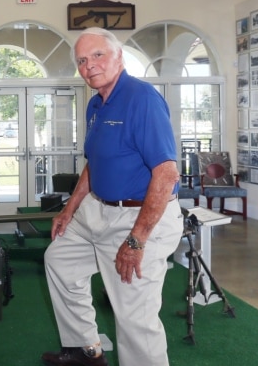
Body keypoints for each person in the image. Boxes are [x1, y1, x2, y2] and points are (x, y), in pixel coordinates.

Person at [42, 28, 182, 366]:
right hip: (96, 211)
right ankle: (84, 351)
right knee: (59, 261)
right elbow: (95, 162)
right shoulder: (95, 104)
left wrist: (136, 241)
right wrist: (68, 210)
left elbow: (166, 173)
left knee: (134, 315)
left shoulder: (142, 98)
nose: (89, 66)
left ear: (119, 57)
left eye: (97, 56)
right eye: (82, 60)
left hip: (138, 217)